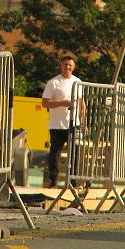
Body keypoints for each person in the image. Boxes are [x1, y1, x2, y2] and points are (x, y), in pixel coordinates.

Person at [41, 56, 85, 188]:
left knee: (75, 153)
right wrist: (62, 103)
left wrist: (84, 122)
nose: (68, 67)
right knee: (55, 153)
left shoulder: (78, 81)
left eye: (70, 65)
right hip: (57, 124)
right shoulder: (53, 82)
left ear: (74, 67)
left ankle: (73, 181)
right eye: (65, 65)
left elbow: (82, 103)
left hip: (74, 123)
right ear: (61, 65)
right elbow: (44, 103)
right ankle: (53, 180)